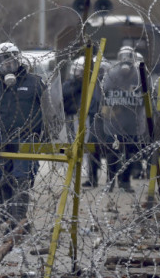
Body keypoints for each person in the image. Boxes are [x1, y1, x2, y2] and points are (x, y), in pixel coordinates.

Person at [0, 42, 46, 230]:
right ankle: (6, 218)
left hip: (27, 141)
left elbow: (51, 108)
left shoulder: (35, 82)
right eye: (2, 62)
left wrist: (45, 134)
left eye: (10, 61)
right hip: (1, 141)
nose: (7, 65)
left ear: (18, 60)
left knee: (21, 180)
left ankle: (18, 222)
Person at [99, 46, 148, 193]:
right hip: (114, 121)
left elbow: (148, 95)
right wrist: (107, 108)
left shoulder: (140, 75)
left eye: (129, 56)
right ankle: (110, 181)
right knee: (112, 153)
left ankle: (125, 182)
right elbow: (104, 93)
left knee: (129, 153)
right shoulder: (111, 74)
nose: (126, 59)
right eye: (123, 56)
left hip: (132, 123)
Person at [62, 56, 107, 187]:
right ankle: (77, 172)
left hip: (90, 118)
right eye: (77, 71)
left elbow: (97, 101)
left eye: (80, 71)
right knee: (73, 145)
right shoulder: (72, 84)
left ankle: (93, 177)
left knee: (91, 147)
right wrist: (78, 83)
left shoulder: (95, 84)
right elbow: (64, 94)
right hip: (73, 117)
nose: (77, 73)